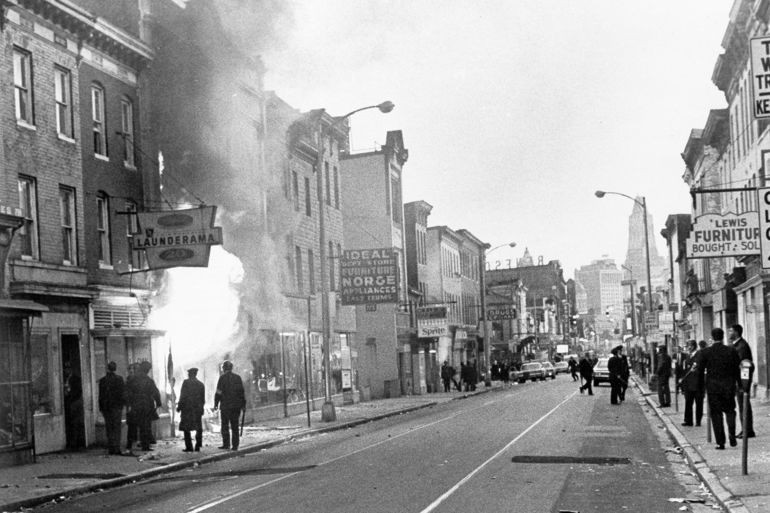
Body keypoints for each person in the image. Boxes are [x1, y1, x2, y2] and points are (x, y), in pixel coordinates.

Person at [698, 327, 740, 450]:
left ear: (712, 337)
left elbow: (700, 371)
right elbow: (737, 369)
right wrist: (740, 385)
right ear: (722, 337)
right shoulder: (731, 351)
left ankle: (720, 442)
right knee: (730, 411)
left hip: (713, 388)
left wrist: (701, 387)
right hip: (728, 387)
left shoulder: (705, 352)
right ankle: (732, 434)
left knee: (716, 415)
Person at [126, 361, 161, 452]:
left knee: (132, 426)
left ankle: (129, 445)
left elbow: (127, 392)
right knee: (145, 426)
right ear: (147, 370)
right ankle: (145, 446)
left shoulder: (132, 379)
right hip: (146, 406)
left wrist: (128, 404)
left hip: (135, 405)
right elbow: (155, 392)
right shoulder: (148, 380)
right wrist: (158, 403)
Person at [729, 324, 755, 439]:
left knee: (744, 405)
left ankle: (748, 430)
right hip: (739, 381)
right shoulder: (737, 345)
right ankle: (745, 429)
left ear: (736, 333)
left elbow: (744, 365)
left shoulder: (742, 346)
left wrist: (743, 383)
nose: (729, 333)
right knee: (742, 406)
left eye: (731, 331)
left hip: (741, 382)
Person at [214, 360, 246, 451]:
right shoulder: (237, 378)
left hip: (225, 406)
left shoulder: (222, 378)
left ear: (224, 368)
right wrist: (243, 405)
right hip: (236, 407)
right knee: (235, 426)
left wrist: (216, 404)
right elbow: (241, 393)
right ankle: (235, 445)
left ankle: (226, 444)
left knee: (225, 426)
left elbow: (218, 392)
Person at [98, 361, 125, 455]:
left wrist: (101, 407)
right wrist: (122, 405)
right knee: (117, 427)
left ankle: (111, 447)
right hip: (116, 407)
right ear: (115, 369)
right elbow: (122, 394)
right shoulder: (119, 379)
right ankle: (116, 448)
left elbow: (100, 396)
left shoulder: (103, 380)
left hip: (106, 407)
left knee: (109, 428)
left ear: (108, 368)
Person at [177, 367, 205, 452]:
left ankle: (189, 447)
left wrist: (179, 407)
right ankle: (198, 445)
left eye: (189, 373)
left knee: (186, 428)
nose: (188, 375)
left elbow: (183, 396)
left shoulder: (186, 383)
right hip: (197, 409)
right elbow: (202, 399)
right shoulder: (201, 384)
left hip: (187, 409)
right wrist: (201, 408)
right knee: (198, 427)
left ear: (190, 374)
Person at [678, 340, 704, 427]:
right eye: (687, 346)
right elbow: (685, 369)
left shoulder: (699, 355)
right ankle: (688, 420)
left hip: (697, 384)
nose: (688, 348)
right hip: (688, 384)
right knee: (688, 403)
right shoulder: (688, 356)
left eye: (689, 346)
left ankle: (698, 421)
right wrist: (682, 379)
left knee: (698, 403)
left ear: (693, 346)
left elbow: (699, 367)